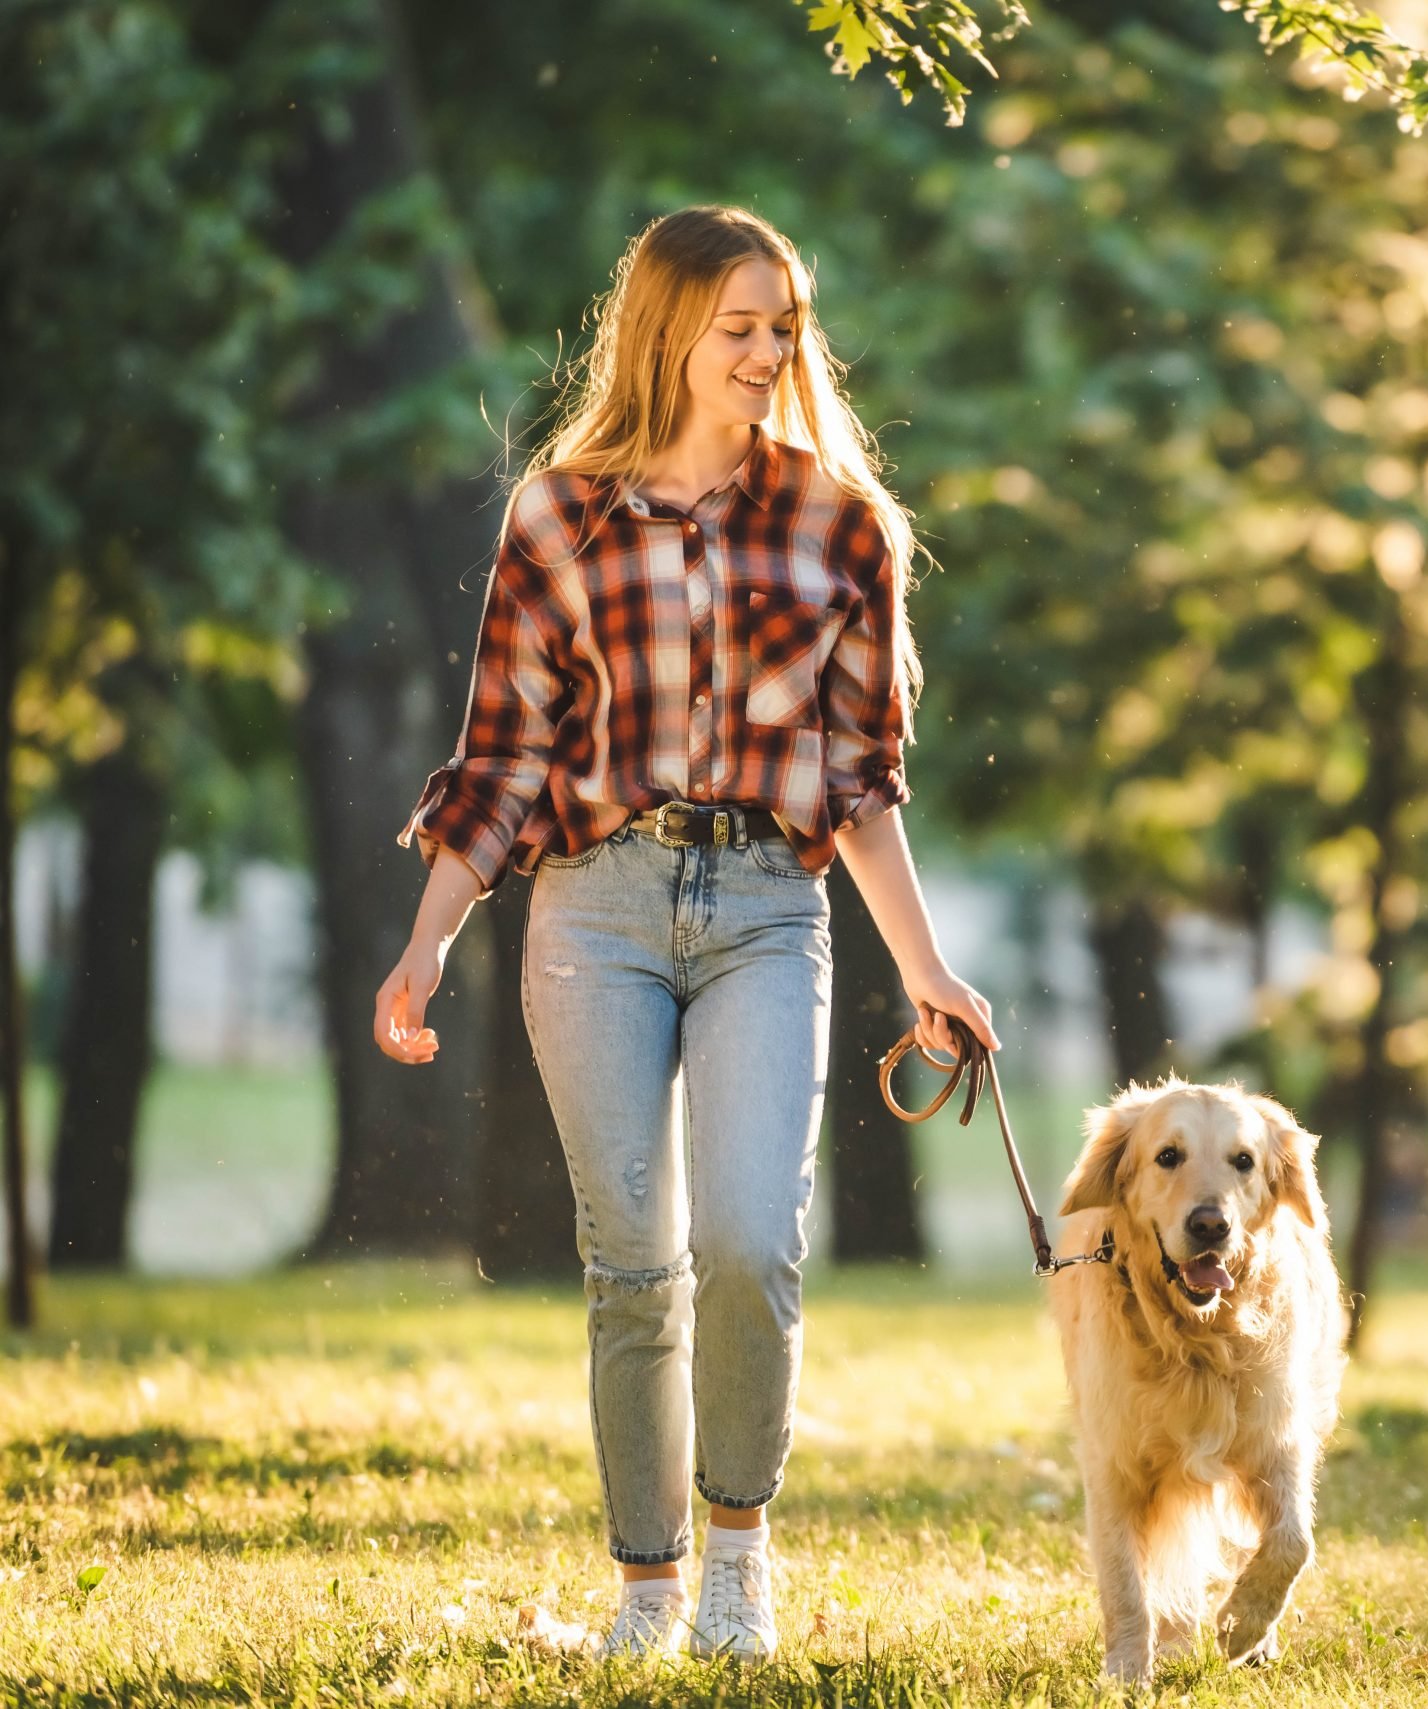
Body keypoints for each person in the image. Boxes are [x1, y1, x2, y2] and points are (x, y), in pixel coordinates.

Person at [369, 205, 999, 1663]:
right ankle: (647, 1590)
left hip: (770, 910)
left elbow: (857, 784)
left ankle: (735, 1561)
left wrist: (927, 967)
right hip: (593, 909)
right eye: (741, 326)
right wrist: (428, 940)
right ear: (666, 332)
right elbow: (504, 758)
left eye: (786, 324)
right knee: (632, 1262)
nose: (771, 352)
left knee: (750, 1241)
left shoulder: (843, 525)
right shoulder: (560, 511)